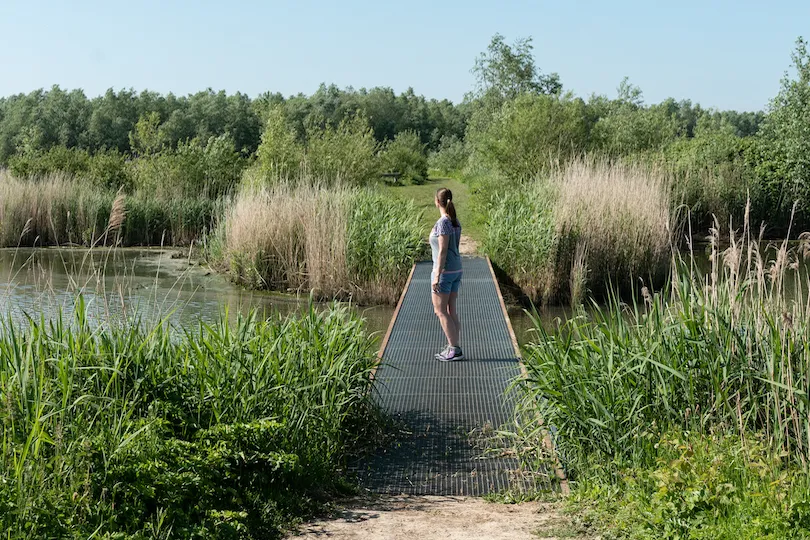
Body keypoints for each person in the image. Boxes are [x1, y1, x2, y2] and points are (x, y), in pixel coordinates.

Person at [430, 187, 463, 362]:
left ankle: (454, 349)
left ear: (437, 201)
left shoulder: (443, 222)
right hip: (456, 269)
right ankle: (454, 345)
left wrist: (437, 275)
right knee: (451, 310)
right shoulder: (454, 221)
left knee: (440, 311)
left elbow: (443, 251)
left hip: (445, 272)